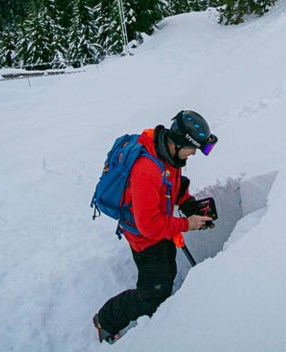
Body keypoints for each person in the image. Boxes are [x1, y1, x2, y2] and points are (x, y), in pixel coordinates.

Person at [93, 110, 218, 344]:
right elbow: (149, 226)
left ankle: (161, 298)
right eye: (192, 149)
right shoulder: (146, 169)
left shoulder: (168, 155)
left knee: (166, 270)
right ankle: (106, 319)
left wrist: (189, 205)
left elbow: (175, 184)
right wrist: (186, 224)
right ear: (179, 142)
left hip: (162, 231)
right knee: (152, 294)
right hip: (145, 240)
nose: (192, 154)